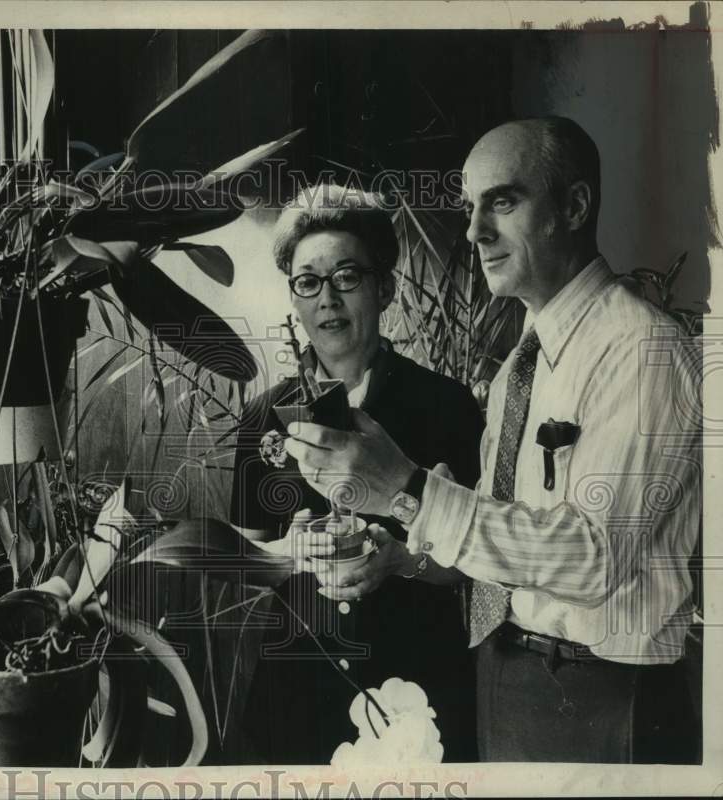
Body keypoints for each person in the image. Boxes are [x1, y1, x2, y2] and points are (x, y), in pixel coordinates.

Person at [284, 117, 702, 763]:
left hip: (604, 696)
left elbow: (594, 559)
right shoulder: (518, 369)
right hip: (505, 677)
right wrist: (400, 540)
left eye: (502, 202)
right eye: (469, 207)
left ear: (575, 206)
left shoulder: (644, 350)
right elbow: (498, 551)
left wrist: (409, 485)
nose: (475, 231)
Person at [229, 183, 484, 764]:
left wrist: (401, 558)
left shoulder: (448, 406)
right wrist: (287, 554)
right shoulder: (262, 415)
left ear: (385, 288)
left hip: (417, 689)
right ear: (293, 296)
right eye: (308, 282)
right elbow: (246, 557)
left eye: (347, 276)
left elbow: (473, 567)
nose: (327, 299)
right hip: (297, 694)